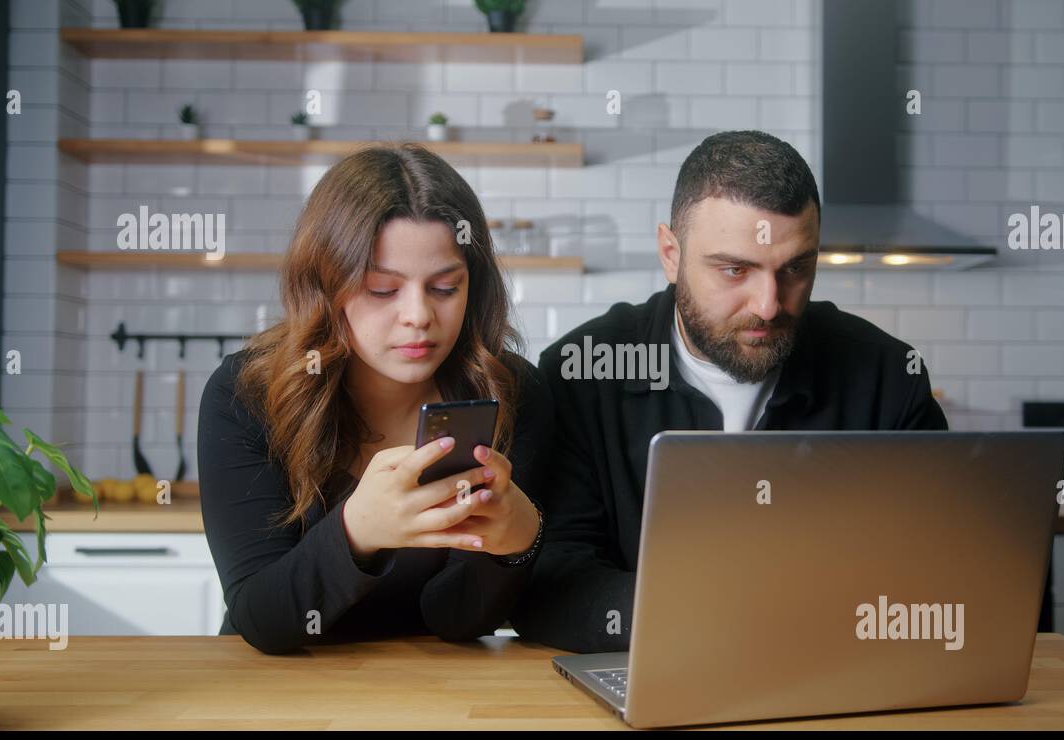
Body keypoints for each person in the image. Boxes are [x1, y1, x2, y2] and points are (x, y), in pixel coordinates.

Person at [511, 130, 948, 653]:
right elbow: (548, 577)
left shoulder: (887, 377)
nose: (768, 304)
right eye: (735, 269)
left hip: (842, 672)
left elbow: (943, 565)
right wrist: (711, 615)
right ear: (671, 254)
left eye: (795, 269)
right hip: (655, 670)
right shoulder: (579, 373)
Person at [198, 144, 552, 655]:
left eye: (445, 288)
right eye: (383, 290)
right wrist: (357, 530)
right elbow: (260, 616)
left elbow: (457, 619)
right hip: (278, 693)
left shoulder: (510, 392)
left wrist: (517, 542)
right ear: (325, 285)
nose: (418, 315)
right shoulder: (245, 393)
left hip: (439, 694)